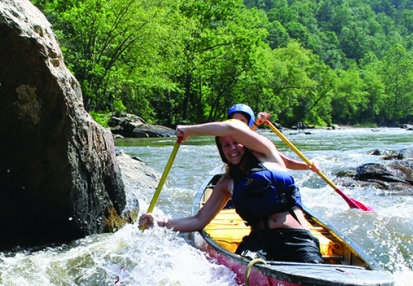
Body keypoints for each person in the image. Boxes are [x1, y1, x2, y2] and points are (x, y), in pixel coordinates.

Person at [138, 104, 324, 263]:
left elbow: (232, 129)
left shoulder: (267, 153)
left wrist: (191, 130)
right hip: (258, 243)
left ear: (246, 143)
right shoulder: (226, 183)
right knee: (244, 267)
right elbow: (198, 220)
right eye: (226, 145)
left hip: (295, 238)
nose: (232, 148)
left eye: (236, 143)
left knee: (315, 271)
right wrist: (159, 222)